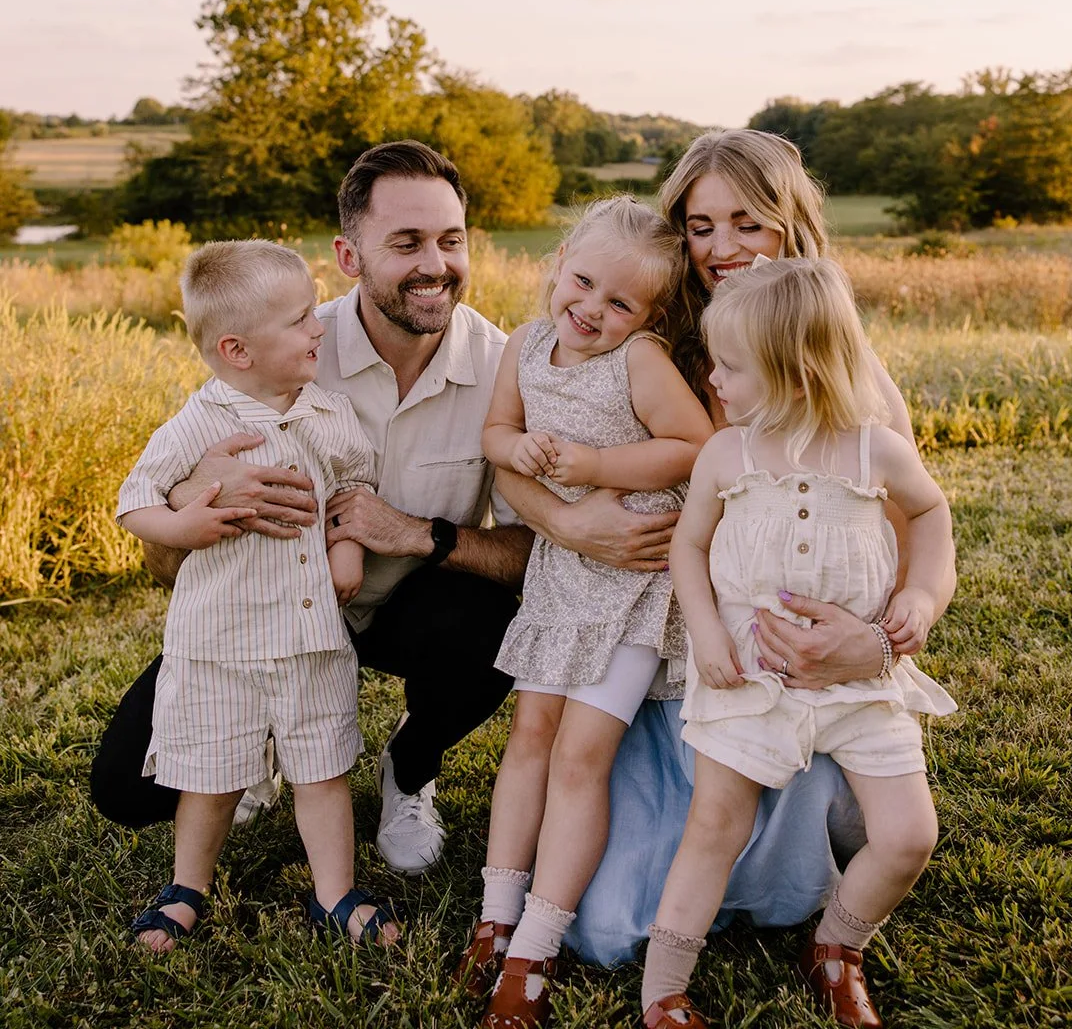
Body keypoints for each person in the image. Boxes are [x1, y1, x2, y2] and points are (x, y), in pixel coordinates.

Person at [494, 129, 956, 965]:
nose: (722, 248)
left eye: (748, 223)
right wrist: (563, 520)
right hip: (656, 650)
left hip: (777, 657)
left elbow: (909, 519)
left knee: (788, 871)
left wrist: (878, 635)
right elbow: (526, 454)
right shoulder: (638, 327)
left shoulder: (818, 345)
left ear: (790, 222)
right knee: (609, 928)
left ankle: (832, 824)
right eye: (702, 227)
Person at [91, 141, 543, 876]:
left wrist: (414, 533)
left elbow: (542, 551)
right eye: (406, 242)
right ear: (349, 254)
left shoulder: (505, 369)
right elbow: (162, 556)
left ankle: (410, 764)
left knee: (500, 624)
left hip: (408, 608)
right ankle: (263, 738)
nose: (435, 264)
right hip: (264, 613)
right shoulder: (283, 343)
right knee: (127, 790)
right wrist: (201, 496)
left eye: (450, 240)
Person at [641, 257, 955, 1029]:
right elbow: (688, 548)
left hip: (861, 679)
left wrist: (921, 594)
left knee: (910, 834)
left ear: (800, 371)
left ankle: (838, 946)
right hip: (748, 675)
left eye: (733, 366)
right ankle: (663, 992)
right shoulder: (727, 456)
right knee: (715, 827)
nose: (713, 377)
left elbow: (931, 513)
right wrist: (706, 631)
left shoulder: (873, 450)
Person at [453, 198, 712, 1027]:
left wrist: (598, 460)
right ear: (560, 260)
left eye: (620, 303)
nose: (592, 309)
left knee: (579, 757)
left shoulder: (639, 359)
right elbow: (497, 430)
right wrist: (515, 448)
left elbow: (694, 443)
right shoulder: (525, 345)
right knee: (529, 739)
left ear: (651, 316)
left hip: (633, 581)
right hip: (562, 573)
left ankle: (538, 944)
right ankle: (496, 915)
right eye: (584, 281)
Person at [116, 239, 399, 950]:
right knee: (208, 777)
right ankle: (187, 890)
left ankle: (334, 894)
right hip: (219, 645)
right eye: (301, 318)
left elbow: (353, 487)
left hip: (310, 640)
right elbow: (133, 503)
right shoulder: (200, 424)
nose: (319, 328)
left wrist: (346, 545)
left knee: (323, 769)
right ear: (237, 349)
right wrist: (185, 523)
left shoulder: (327, 413)